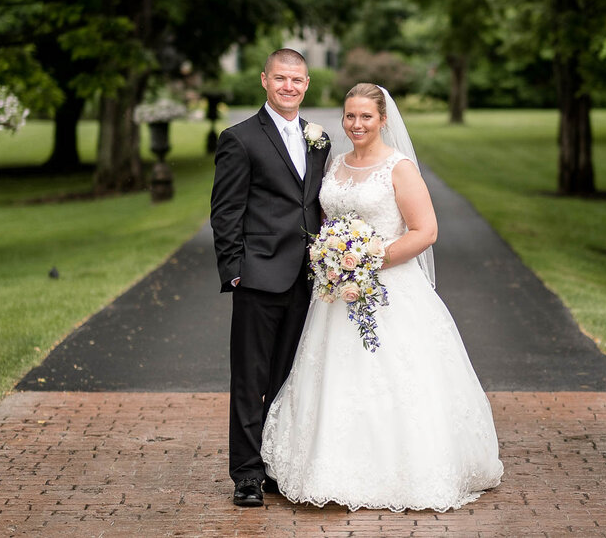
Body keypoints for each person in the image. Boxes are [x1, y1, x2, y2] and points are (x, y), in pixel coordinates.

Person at [260, 83, 503, 512]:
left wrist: (366, 261)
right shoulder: (334, 164)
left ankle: (404, 469)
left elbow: (425, 231)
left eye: (365, 117)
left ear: (383, 119)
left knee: (395, 378)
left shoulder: (399, 168)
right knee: (332, 375)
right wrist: (335, 259)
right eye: (349, 116)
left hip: (390, 291)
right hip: (334, 295)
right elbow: (324, 220)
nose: (356, 124)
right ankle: (324, 466)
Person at [210, 48, 331, 507]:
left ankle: (276, 463)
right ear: (264, 80)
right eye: (280, 78)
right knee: (250, 377)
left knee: (288, 376)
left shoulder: (318, 139)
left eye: (297, 80)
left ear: (306, 85)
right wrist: (234, 272)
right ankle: (245, 474)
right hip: (258, 276)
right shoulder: (239, 139)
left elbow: (314, 205)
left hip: (308, 279)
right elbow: (225, 212)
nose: (289, 87)